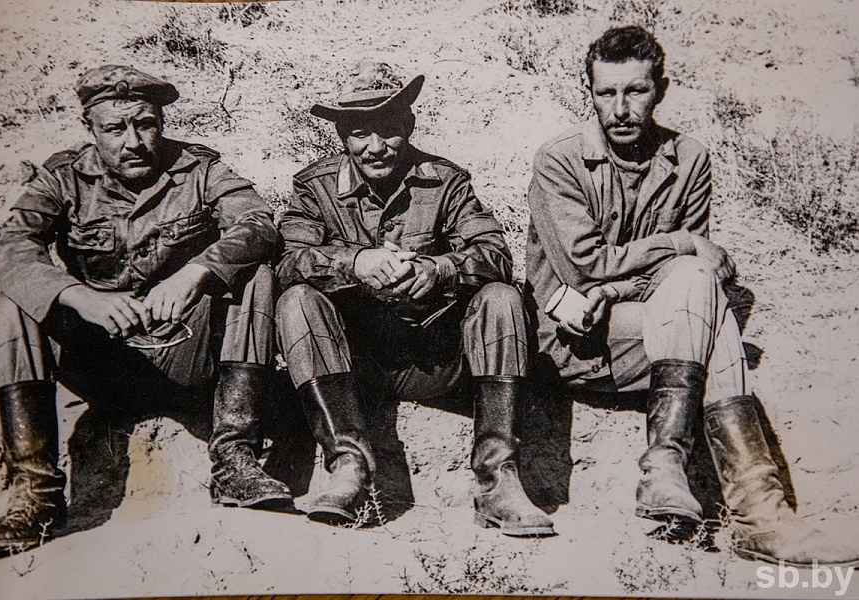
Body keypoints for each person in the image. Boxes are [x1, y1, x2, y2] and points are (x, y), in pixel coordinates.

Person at [525, 26, 858, 566]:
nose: (620, 109)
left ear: (661, 90)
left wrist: (626, 283)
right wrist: (678, 244)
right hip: (574, 342)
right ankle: (758, 515)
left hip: (658, 337)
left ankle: (669, 469)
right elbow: (584, 270)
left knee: (698, 282)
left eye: (636, 91)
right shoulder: (559, 161)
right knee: (708, 301)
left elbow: (678, 277)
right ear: (590, 93)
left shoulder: (690, 159)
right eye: (606, 93)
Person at [0, 65, 291, 558]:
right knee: (17, 298)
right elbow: (11, 249)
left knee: (255, 275)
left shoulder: (200, 170)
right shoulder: (62, 178)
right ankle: (35, 491)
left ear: (161, 122)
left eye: (145, 124)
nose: (133, 142)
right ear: (90, 127)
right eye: (114, 128)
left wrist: (196, 272)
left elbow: (258, 223)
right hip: (100, 360)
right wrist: (79, 296)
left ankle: (235, 458)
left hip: (185, 355)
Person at [275, 61, 554, 536]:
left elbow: (495, 254)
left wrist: (440, 269)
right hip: (354, 362)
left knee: (502, 297)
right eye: (360, 133)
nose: (376, 147)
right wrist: (354, 263)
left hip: (436, 358)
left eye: (388, 129)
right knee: (297, 300)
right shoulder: (314, 187)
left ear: (408, 124)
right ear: (342, 135)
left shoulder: (446, 181)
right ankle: (348, 465)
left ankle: (498, 481)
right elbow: (287, 263)